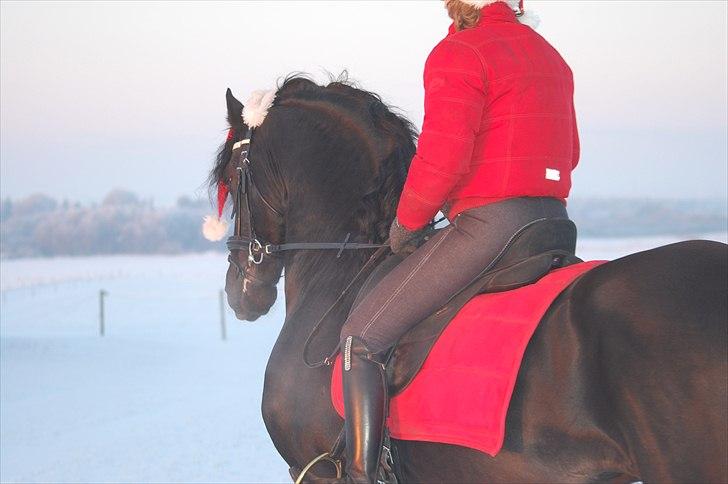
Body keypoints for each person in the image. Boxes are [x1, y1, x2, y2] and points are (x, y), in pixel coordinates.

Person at [337, 0, 580, 482]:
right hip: (553, 222)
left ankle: (360, 475)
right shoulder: (551, 56)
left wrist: (408, 222)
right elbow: (569, 149)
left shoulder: (460, 52)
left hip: (491, 227)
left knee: (359, 338)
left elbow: (443, 157)